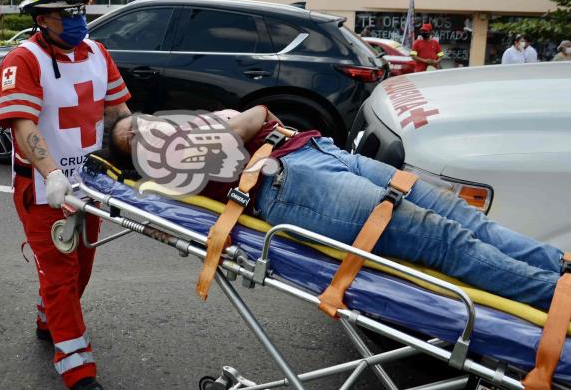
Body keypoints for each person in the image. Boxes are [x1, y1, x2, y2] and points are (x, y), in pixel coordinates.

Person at [108, 106, 565, 312]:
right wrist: (244, 119)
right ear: (132, 152)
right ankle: (556, 297)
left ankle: (560, 270)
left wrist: (244, 121)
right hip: (292, 184)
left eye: (139, 122)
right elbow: (251, 118)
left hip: (316, 153)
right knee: (445, 239)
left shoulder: (183, 129)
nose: (143, 129)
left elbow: (249, 121)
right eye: (131, 135)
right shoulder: (164, 158)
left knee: (462, 218)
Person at [0, 0, 131, 390]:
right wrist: (52, 173)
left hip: (90, 185)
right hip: (43, 189)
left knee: (82, 267)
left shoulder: (97, 53)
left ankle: (44, 318)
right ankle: (78, 370)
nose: (78, 20)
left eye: (81, 11)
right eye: (66, 13)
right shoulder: (23, 61)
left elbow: (117, 113)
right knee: (60, 273)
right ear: (41, 18)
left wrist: (141, 149)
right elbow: (22, 123)